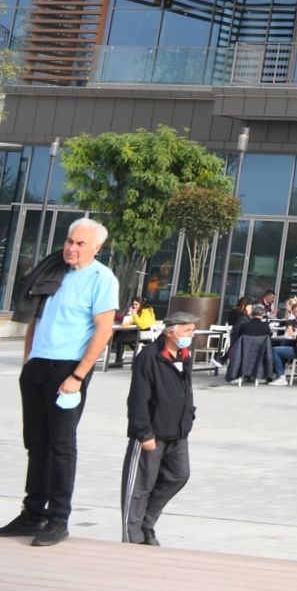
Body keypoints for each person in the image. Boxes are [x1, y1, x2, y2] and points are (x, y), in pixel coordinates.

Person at [6, 218, 120, 546]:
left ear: (96, 248)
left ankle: (59, 518)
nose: (71, 248)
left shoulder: (102, 279)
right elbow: (37, 318)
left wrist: (78, 375)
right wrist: (28, 360)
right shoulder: (53, 271)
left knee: (60, 445)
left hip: (68, 370)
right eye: (70, 241)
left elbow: (103, 332)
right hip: (38, 367)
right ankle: (32, 513)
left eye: (80, 244)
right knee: (36, 442)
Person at [121, 310, 199, 546]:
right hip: (151, 434)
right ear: (171, 332)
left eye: (192, 330)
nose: (191, 335)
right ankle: (132, 538)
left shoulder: (184, 355)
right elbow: (137, 399)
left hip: (178, 433)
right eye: (187, 330)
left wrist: (189, 416)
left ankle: (147, 522)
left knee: (179, 475)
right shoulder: (149, 357)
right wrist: (144, 432)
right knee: (139, 487)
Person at [108, 298, 158, 370]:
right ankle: (118, 361)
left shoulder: (147, 311)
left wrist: (135, 315)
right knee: (118, 335)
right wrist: (130, 314)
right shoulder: (137, 311)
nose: (134, 306)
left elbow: (143, 325)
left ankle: (119, 361)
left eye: (136, 304)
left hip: (144, 334)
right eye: (133, 304)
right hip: (136, 332)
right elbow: (130, 322)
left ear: (141, 305)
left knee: (121, 340)